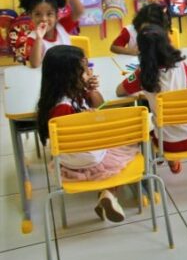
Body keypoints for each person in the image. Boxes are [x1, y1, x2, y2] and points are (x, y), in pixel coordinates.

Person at [37, 45, 137, 223]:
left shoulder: (67, 94)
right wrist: (90, 122)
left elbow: (100, 105)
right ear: (68, 76)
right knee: (130, 146)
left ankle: (108, 195)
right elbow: (98, 118)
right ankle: (109, 192)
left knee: (118, 152)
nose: (90, 72)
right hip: (84, 156)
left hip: (74, 157)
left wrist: (90, 90)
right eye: (84, 69)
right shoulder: (63, 107)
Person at [116, 25, 187, 174]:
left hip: (167, 143)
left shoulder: (142, 74)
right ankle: (171, 159)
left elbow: (119, 92)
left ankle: (162, 160)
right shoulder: (180, 65)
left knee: (145, 128)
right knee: (163, 122)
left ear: (141, 49)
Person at [20, 0, 84, 68]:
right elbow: (34, 64)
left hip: (68, 73)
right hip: (48, 76)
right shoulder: (33, 38)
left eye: (49, 14)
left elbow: (78, 12)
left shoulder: (62, 26)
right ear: (31, 16)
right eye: (38, 14)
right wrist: (39, 38)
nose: (44, 19)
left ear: (57, 16)